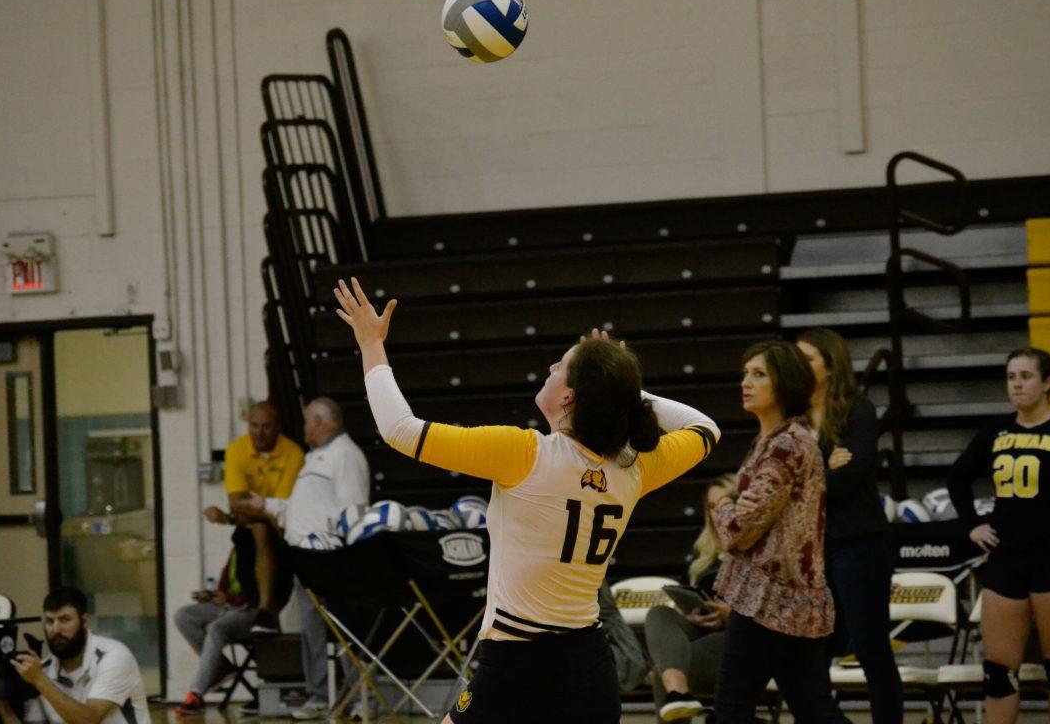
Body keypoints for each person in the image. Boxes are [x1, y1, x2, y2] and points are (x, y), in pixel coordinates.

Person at [331, 278, 720, 724]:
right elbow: (707, 428)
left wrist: (370, 343)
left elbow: (399, 429)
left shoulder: (526, 454)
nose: (552, 366)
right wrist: (626, 388)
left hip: (518, 664)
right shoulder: (635, 469)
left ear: (570, 397)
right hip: (590, 665)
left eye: (561, 366)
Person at [948, 347, 1050, 724]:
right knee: (997, 673)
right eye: (1011, 377)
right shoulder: (995, 432)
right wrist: (971, 524)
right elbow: (958, 478)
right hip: (1006, 558)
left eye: (1026, 376)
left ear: (1048, 382)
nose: (1017, 385)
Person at [706, 341, 846, 724]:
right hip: (787, 596)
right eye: (745, 373)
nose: (745, 383)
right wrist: (736, 503)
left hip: (767, 595)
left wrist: (719, 499)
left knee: (732, 708)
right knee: (813, 707)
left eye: (759, 374)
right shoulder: (776, 439)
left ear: (783, 384)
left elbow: (738, 532)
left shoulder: (786, 446)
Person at [232, 397, 370, 720]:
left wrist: (344, 553)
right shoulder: (314, 458)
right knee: (313, 632)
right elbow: (301, 508)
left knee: (344, 629)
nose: (304, 427)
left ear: (322, 423)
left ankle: (361, 698)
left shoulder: (345, 455)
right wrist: (264, 505)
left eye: (308, 421)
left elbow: (354, 509)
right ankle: (319, 695)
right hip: (306, 559)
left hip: (331, 557)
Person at [797, 327, 902, 724]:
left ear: (829, 364)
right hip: (813, 549)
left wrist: (809, 479)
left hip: (860, 542)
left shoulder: (858, 409)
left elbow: (853, 475)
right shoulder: (793, 416)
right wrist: (825, 468)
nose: (799, 366)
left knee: (871, 648)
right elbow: (787, 484)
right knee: (815, 651)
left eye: (807, 358)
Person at [644, 473, 737, 722]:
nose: (719, 514)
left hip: (738, 638)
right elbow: (677, 613)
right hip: (700, 632)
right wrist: (688, 613)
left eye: (725, 505)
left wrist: (732, 616)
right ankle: (678, 691)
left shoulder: (758, 553)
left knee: (663, 669)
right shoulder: (701, 560)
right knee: (659, 614)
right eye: (712, 508)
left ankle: (677, 692)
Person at [172, 525, 290, 717]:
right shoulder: (237, 552)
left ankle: (197, 693)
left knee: (217, 628)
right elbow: (227, 589)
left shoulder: (264, 554)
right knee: (184, 616)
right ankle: (222, 668)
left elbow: (254, 594)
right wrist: (212, 595)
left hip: (250, 609)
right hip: (229, 605)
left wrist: (228, 599)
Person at [208, 401, 305, 633]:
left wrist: (235, 515)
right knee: (259, 529)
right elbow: (236, 501)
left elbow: (281, 508)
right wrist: (253, 512)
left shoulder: (293, 453)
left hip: (282, 531)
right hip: (252, 528)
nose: (259, 433)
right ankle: (263, 612)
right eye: (254, 426)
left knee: (263, 530)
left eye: (266, 427)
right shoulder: (237, 450)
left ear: (278, 428)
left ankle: (266, 612)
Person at [0, 587, 150, 724]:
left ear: (85, 621)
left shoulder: (114, 657)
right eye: (49, 621)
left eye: (65, 620)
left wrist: (39, 680)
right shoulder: (42, 670)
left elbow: (88, 720)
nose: (55, 629)